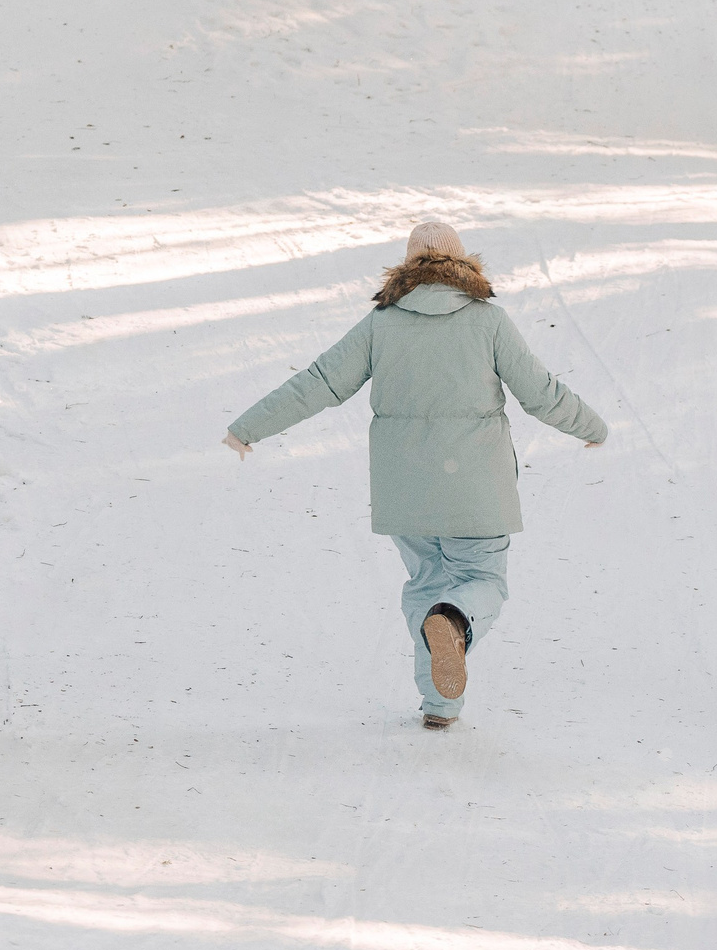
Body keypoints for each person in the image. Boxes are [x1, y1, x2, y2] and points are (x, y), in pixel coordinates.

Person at [223, 221, 608, 729]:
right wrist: (592, 426)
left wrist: (248, 428)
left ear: (407, 267)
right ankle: (454, 624)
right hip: (476, 489)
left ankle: (440, 704)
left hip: (406, 492)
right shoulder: (489, 321)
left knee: (428, 583)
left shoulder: (381, 323)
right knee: (480, 581)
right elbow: (541, 392)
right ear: (463, 264)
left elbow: (318, 383)